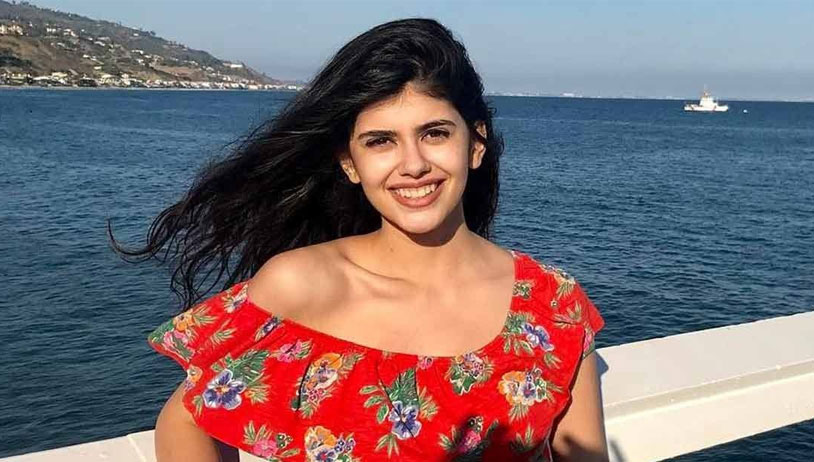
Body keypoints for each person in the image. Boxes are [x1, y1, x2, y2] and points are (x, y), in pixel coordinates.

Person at [120, 18, 608, 462]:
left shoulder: (552, 303)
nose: (413, 164)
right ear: (349, 163)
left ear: (475, 144)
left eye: (435, 134)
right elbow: (188, 420)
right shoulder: (301, 284)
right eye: (380, 141)